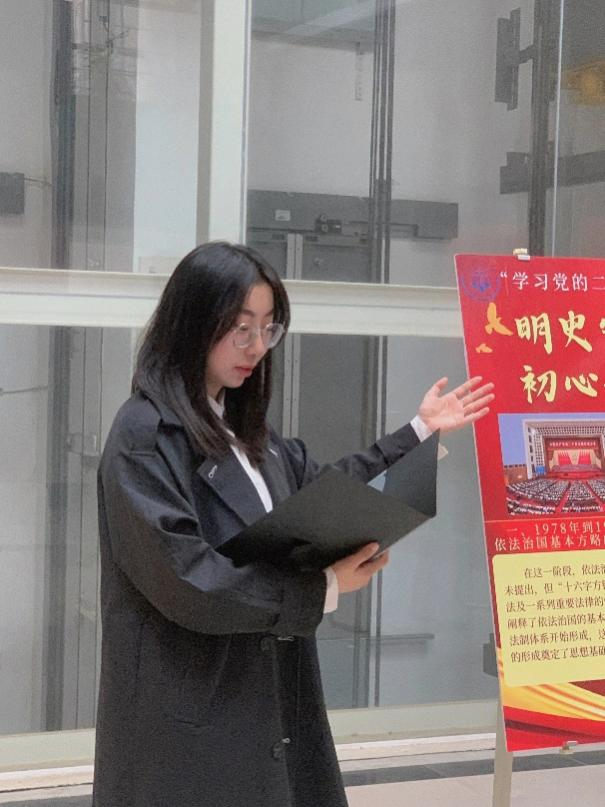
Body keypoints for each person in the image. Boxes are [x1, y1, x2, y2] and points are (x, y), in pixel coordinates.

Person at [92, 242, 494, 807]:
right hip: (188, 707)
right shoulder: (144, 437)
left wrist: (420, 432)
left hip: (264, 691)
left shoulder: (243, 429)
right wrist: (322, 588)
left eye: (268, 328)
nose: (257, 346)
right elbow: (188, 580)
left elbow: (325, 495)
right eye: (240, 328)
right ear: (192, 322)